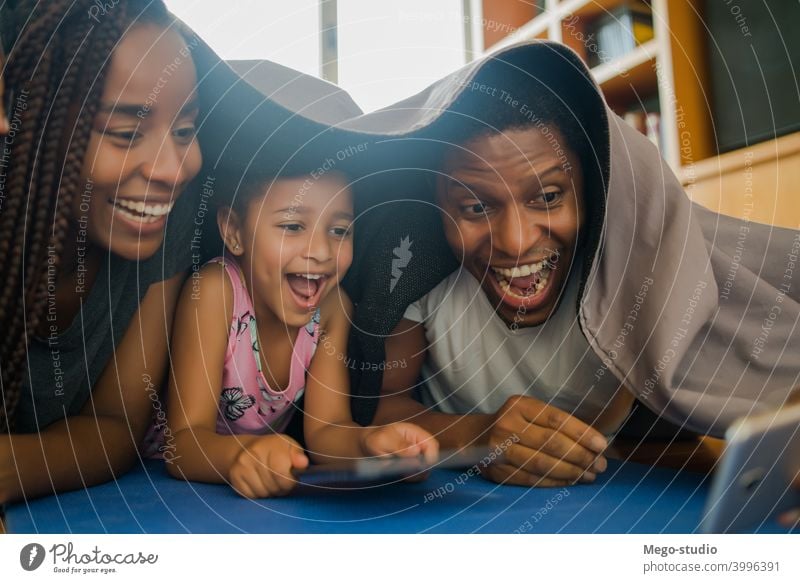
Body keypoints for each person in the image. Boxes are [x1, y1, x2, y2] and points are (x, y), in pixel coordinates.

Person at [338, 41, 800, 494]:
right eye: (475, 207)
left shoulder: (638, 270)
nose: (516, 242)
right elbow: (383, 407)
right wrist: (477, 436)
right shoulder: (421, 285)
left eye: (549, 197)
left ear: (592, 189)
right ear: (436, 209)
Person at [0, 0, 202, 503]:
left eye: (184, 130)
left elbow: (116, 423)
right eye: (126, 133)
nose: (173, 169)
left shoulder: (168, 221)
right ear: (32, 127)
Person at [165, 165, 437, 498]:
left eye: (340, 231)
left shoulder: (332, 309)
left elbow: (326, 430)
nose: (321, 252)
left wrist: (371, 444)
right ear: (234, 231)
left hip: (267, 474)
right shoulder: (215, 292)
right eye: (292, 226)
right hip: (176, 489)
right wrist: (241, 456)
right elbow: (183, 441)